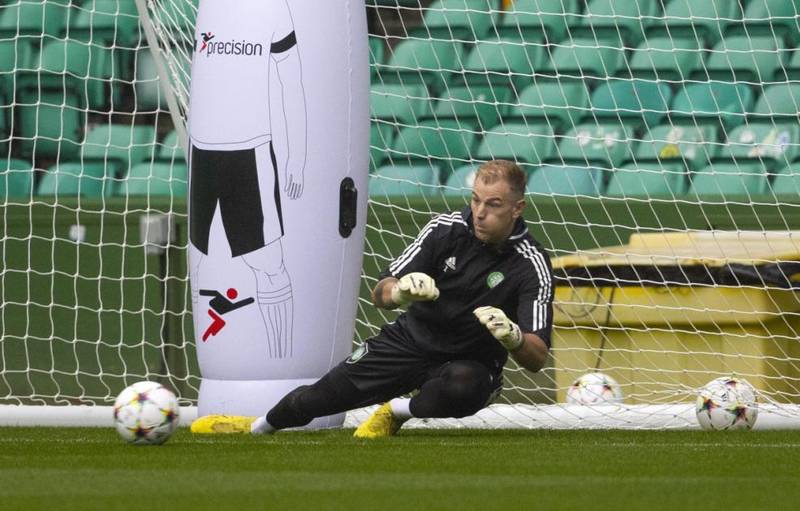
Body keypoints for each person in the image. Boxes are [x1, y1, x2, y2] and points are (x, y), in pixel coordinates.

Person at [191, 159, 554, 437]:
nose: (479, 212)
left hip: (469, 361)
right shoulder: (445, 230)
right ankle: (256, 427)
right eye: (475, 200)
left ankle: (395, 412)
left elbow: (537, 358)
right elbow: (380, 292)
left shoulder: (531, 264)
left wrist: (514, 337)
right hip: (410, 342)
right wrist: (400, 291)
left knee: (465, 386)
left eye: (493, 204)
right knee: (319, 397)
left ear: (517, 208)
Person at [188, 0, 307, 359]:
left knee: (270, 265)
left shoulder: (275, 10)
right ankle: (215, 363)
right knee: (200, 263)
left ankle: (283, 362)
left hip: (249, 153)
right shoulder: (212, 9)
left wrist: (296, 158)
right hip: (201, 154)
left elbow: (292, 83)